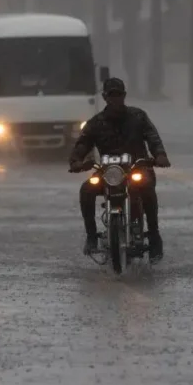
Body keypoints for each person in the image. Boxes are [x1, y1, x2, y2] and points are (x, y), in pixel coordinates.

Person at [68, 77, 171, 261]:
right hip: (108, 174)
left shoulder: (138, 116)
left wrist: (160, 155)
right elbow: (82, 144)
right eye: (111, 95)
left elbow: (152, 137)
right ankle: (92, 236)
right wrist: (76, 161)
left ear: (124, 95)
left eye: (119, 95)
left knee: (146, 187)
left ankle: (154, 236)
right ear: (105, 97)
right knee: (86, 189)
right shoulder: (95, 123)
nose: (116, 99)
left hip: (137, 169)